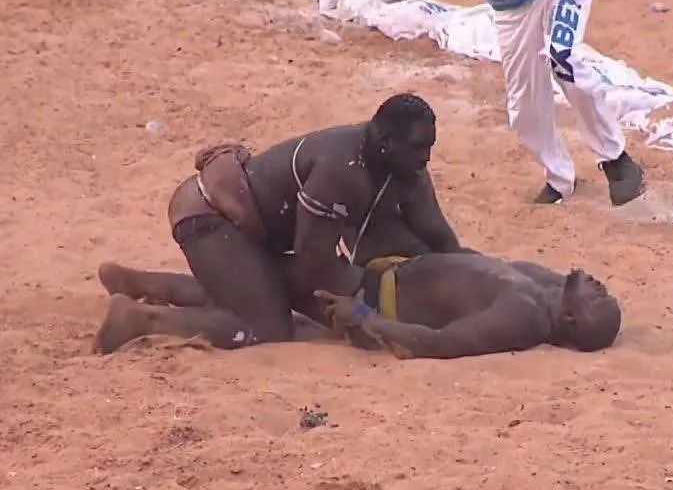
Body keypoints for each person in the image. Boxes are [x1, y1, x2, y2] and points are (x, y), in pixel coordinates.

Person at [91, 92, 464, 354]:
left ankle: (143, 283)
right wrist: (366, 312)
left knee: (261, 287)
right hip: (211, 216)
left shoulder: (406, 169)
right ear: (385, 141)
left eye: (430, 146)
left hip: (258, 232)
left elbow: (439, 237)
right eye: (418, 147)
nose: (426, 157)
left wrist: (475, 276)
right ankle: (143, 317)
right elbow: (312, 259)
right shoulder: (342, 170)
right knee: (266, 326)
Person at [94, 252, 622, 359]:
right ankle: (148, 283)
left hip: (374, 301)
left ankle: (148, 315)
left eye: (601, 301)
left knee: (268, 314)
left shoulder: (525, 316)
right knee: (259, 282)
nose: (602, 285)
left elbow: (442, 343)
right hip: (383, 273)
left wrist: (365, 318)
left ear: (571, 321)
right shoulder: (548, 285)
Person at [474, 0, 646, 205]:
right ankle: (559, 178)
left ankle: (616, 159)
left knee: (564, 57)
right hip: (512, 4)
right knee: (524, 109)